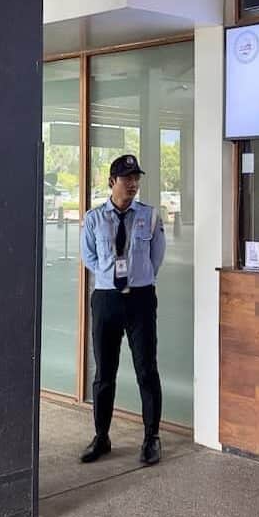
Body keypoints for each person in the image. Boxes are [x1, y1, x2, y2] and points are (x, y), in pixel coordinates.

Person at [79, 154, 166, 466]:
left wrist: (138, 278)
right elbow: (88, 255)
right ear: (112, 182)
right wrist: (109, 276)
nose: (133, 184)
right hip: (106, 299)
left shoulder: (150, 216)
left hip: (141, 299)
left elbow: (157, 256)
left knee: (147, 370)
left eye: (136, 178)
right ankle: (101, 437)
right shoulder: (93, 219)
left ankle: (151, 438)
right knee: (104, 373)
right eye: (127, 178)